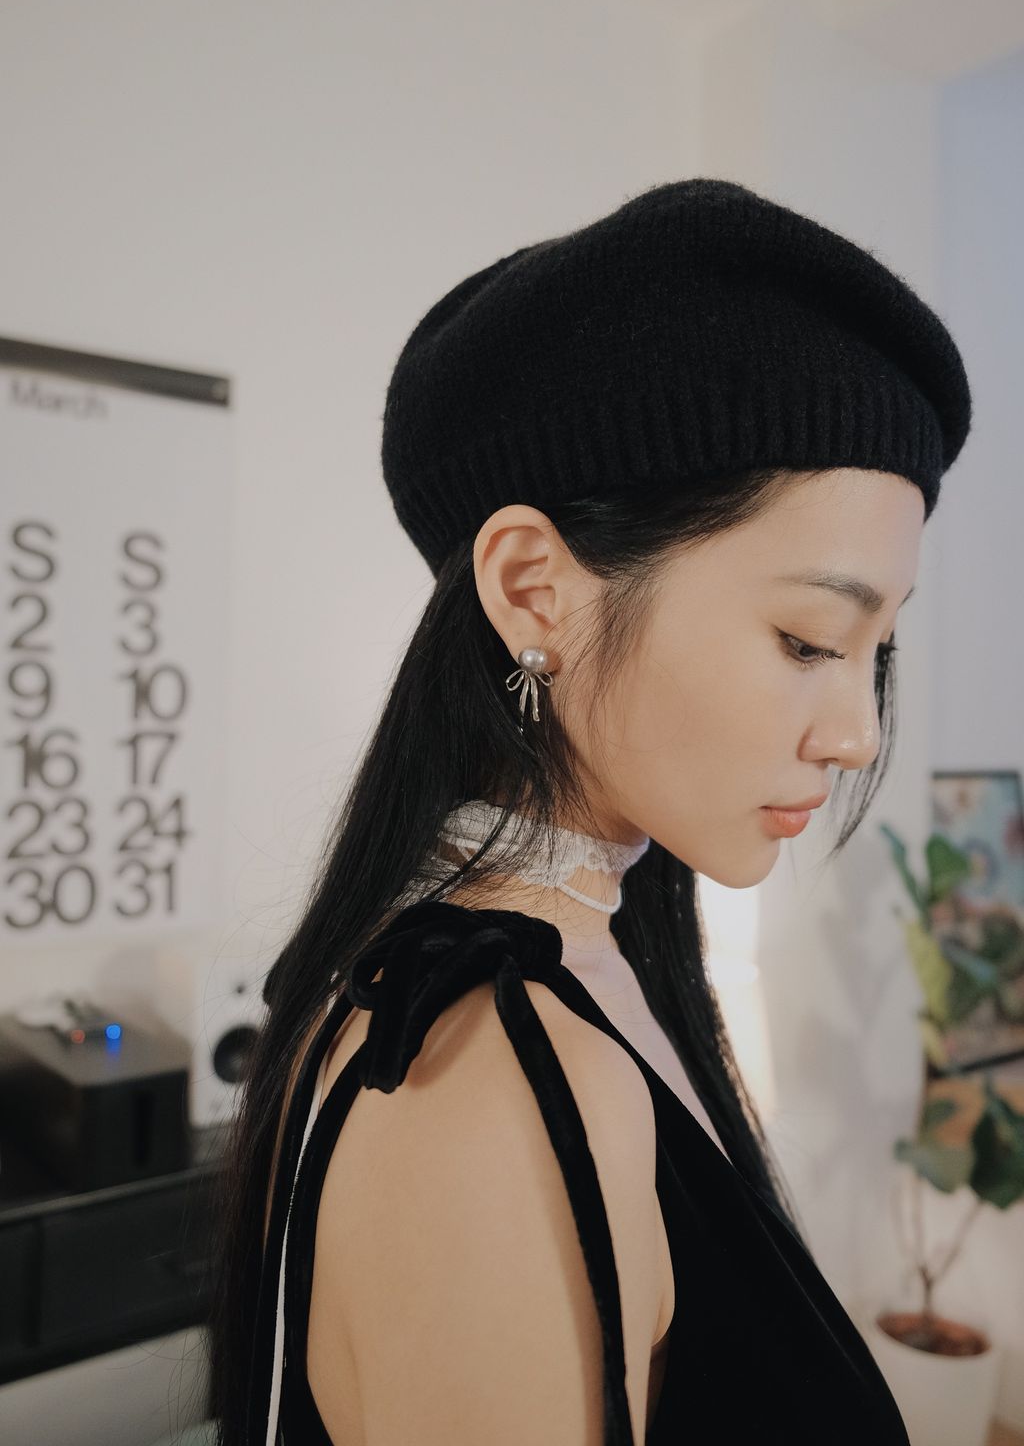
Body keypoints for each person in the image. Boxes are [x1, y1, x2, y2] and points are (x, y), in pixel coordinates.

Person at [207, 178, 972, 1445]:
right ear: (533, 589)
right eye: (806, 639)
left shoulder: (576, 974)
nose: (857, 736)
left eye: (873, 652)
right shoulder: (486, 1077)